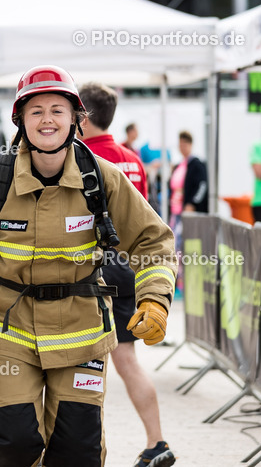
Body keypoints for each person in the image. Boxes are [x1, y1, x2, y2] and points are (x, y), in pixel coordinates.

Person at [0, 65, 177, 467]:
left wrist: (155, 301)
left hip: (83, 329)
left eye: (57, 109)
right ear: (20, 120)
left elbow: (153, 240)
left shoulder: (101, 178)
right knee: (16, 441)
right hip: (9, 326)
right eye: (36, 110)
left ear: (76, 118)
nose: (47, 119)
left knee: (78, 448)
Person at [78, 83, 175, 467]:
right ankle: (157, 440)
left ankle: (84, 449)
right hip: (130, 269)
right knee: (127, 359)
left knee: (84, 366)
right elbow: (145, 221)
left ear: (82, 116)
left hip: (93, 268)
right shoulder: (132, 159)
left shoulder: (79, 158)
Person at [169, 131, 208, 229]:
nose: (182, 147)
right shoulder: (179, 165)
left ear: (190, 145)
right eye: (180, 144)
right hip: (176, 209)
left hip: (188, 210)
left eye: (184, 144)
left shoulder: (196, 165)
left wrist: (192, 203)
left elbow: (202, 186)